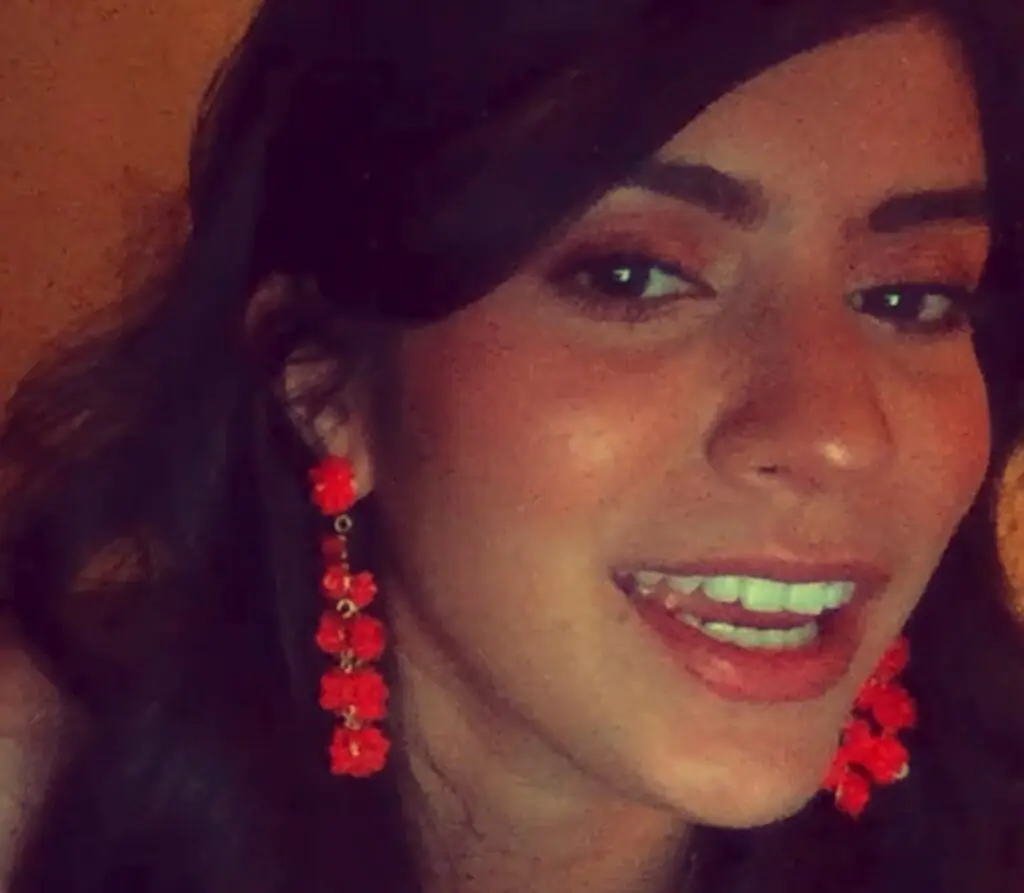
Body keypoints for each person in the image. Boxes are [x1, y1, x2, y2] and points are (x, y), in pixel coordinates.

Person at [1, 0, 1024, 890]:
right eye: (634, 277)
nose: (835, 433)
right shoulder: (42, 798)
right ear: (324, 378)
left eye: (911, 296)